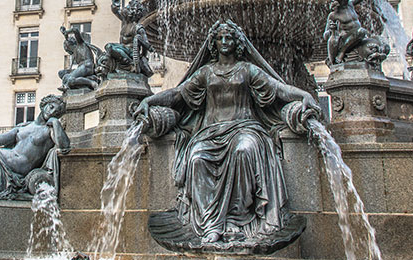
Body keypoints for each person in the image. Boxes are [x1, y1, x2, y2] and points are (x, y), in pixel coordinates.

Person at [134, 20, 322, 246]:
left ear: (237, 42)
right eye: (220, 38)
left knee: (244, 151)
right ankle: (210, 225)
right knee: (196, 158)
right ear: (213, 43)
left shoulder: (248, 69)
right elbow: (177, 94)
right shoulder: (206, 72)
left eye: (229, 38)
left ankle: (236, 218)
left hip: (245, 128)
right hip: (210, 133)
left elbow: (278, 88)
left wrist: (304, 96)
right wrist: (150, 99)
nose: (224, 42)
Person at [105, 0, 152, 77]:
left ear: (133, 12)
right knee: (107, 50)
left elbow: (146, 45)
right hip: (122, 48)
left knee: (109, 47)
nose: (125, 9)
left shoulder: (138, 28)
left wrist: (141, 58)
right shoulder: (125, 22)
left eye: (127, 8)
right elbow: (116, 12)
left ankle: (130, 65)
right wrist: (114, 4)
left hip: (130, 52)